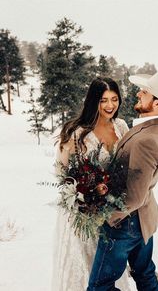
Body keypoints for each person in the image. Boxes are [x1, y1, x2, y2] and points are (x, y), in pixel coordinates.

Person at [87, 68, 158, 291]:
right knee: (144, 274)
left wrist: (106, 218)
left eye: (145, 92)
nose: (138, 94)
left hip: (126, 222)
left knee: (98, 286)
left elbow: (134, 197)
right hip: (144, 218)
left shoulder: (147, 139)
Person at [51, 77, 132, 291]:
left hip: (111, 212)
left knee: (107, 272)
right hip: (83, 214)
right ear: (93, 101)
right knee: (86, 270)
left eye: (114, 99)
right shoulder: (76, 132)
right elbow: (62, 172)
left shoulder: (121, 127)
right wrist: (82, 196)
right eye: (103, 100)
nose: (110, 106)